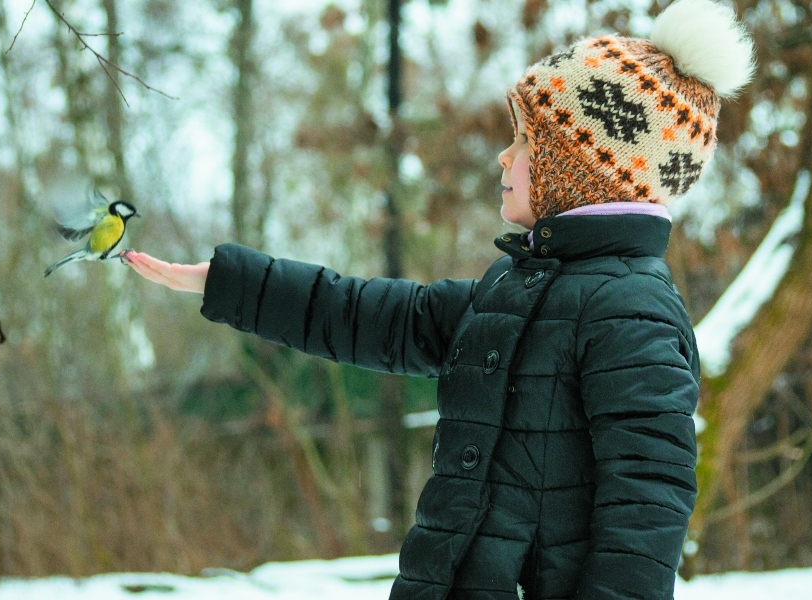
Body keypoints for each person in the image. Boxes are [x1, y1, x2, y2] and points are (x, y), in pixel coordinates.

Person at [125, 0, 754, 597]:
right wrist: (229, 283)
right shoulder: (512, 291)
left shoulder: (632, 310)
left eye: (525, 142)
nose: (504, 157)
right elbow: (369, 315)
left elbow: (648, 503)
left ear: (579, 169)